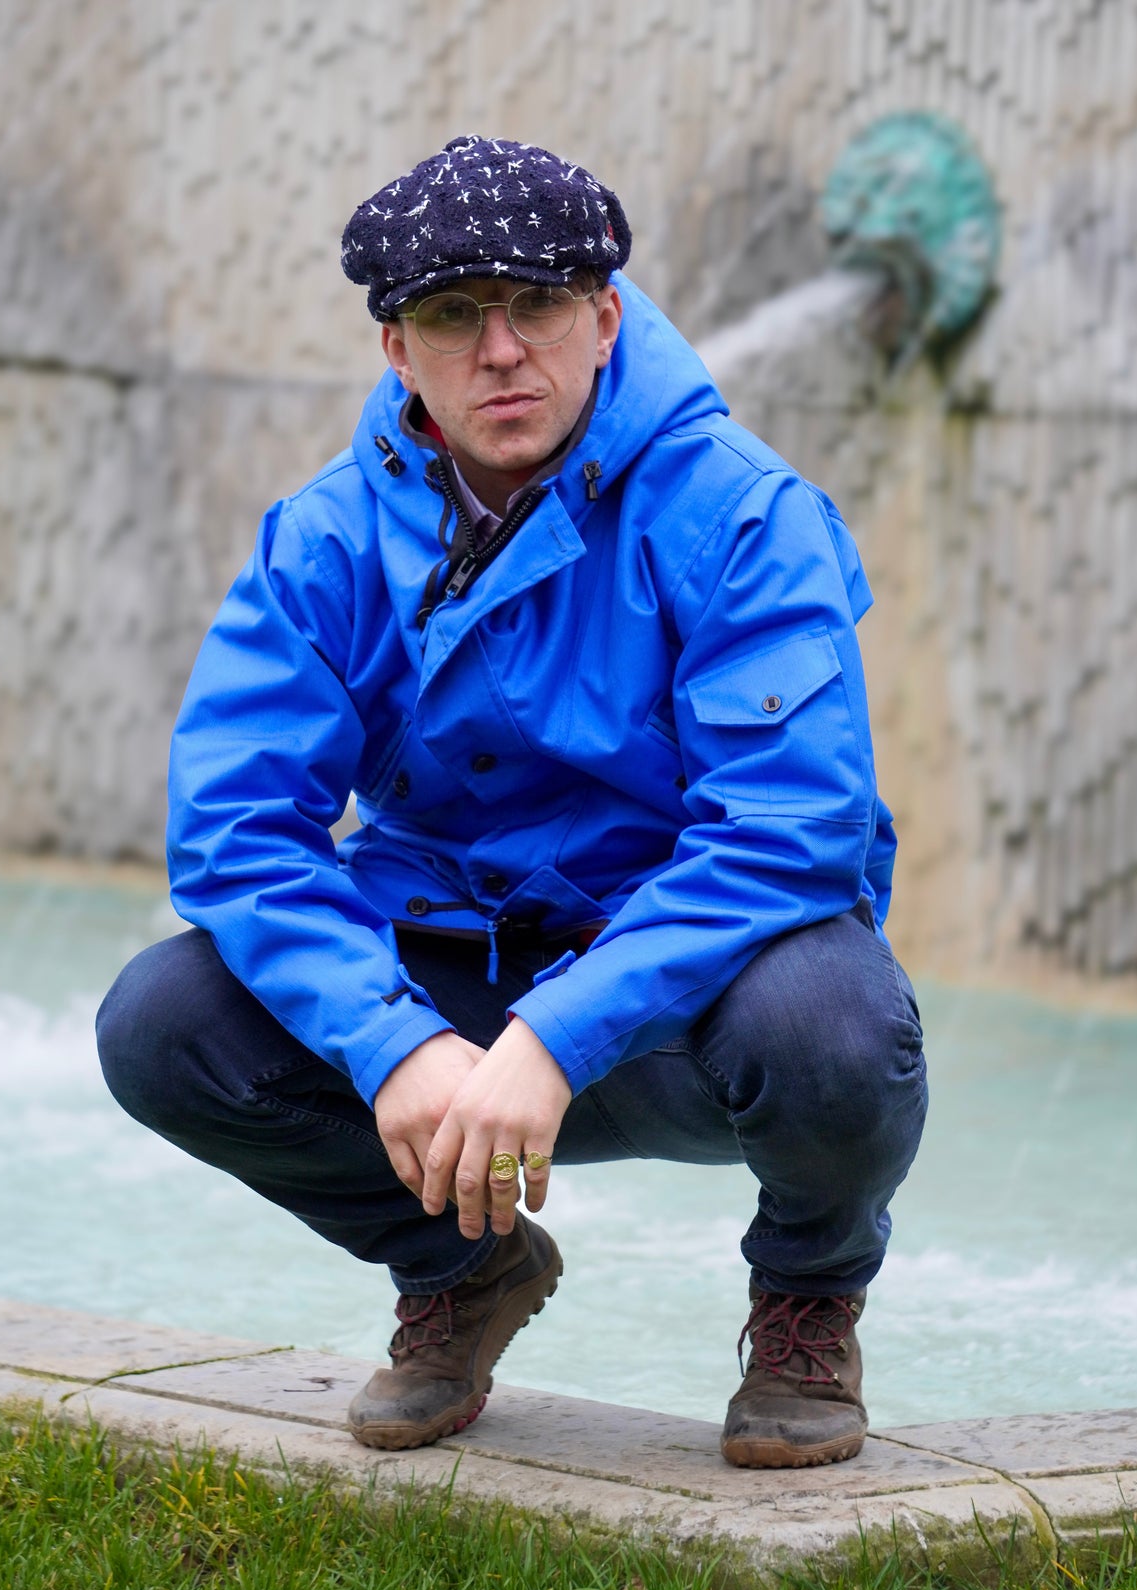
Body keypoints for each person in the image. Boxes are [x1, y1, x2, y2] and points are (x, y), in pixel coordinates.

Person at [96, 134, 927, 1470]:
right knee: (162, 1022)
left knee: (838, 1020)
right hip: (449, 993)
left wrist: (553, 1037)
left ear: (604, 317)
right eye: (452, 317)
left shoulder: (745, 515)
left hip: (687, 1009)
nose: (502, 351)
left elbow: (791, 833)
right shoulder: (323, 540)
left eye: (538, 305)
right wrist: (393, 1044)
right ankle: (460, 1269)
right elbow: (236, 835)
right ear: (396, 349)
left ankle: (808, 1301)